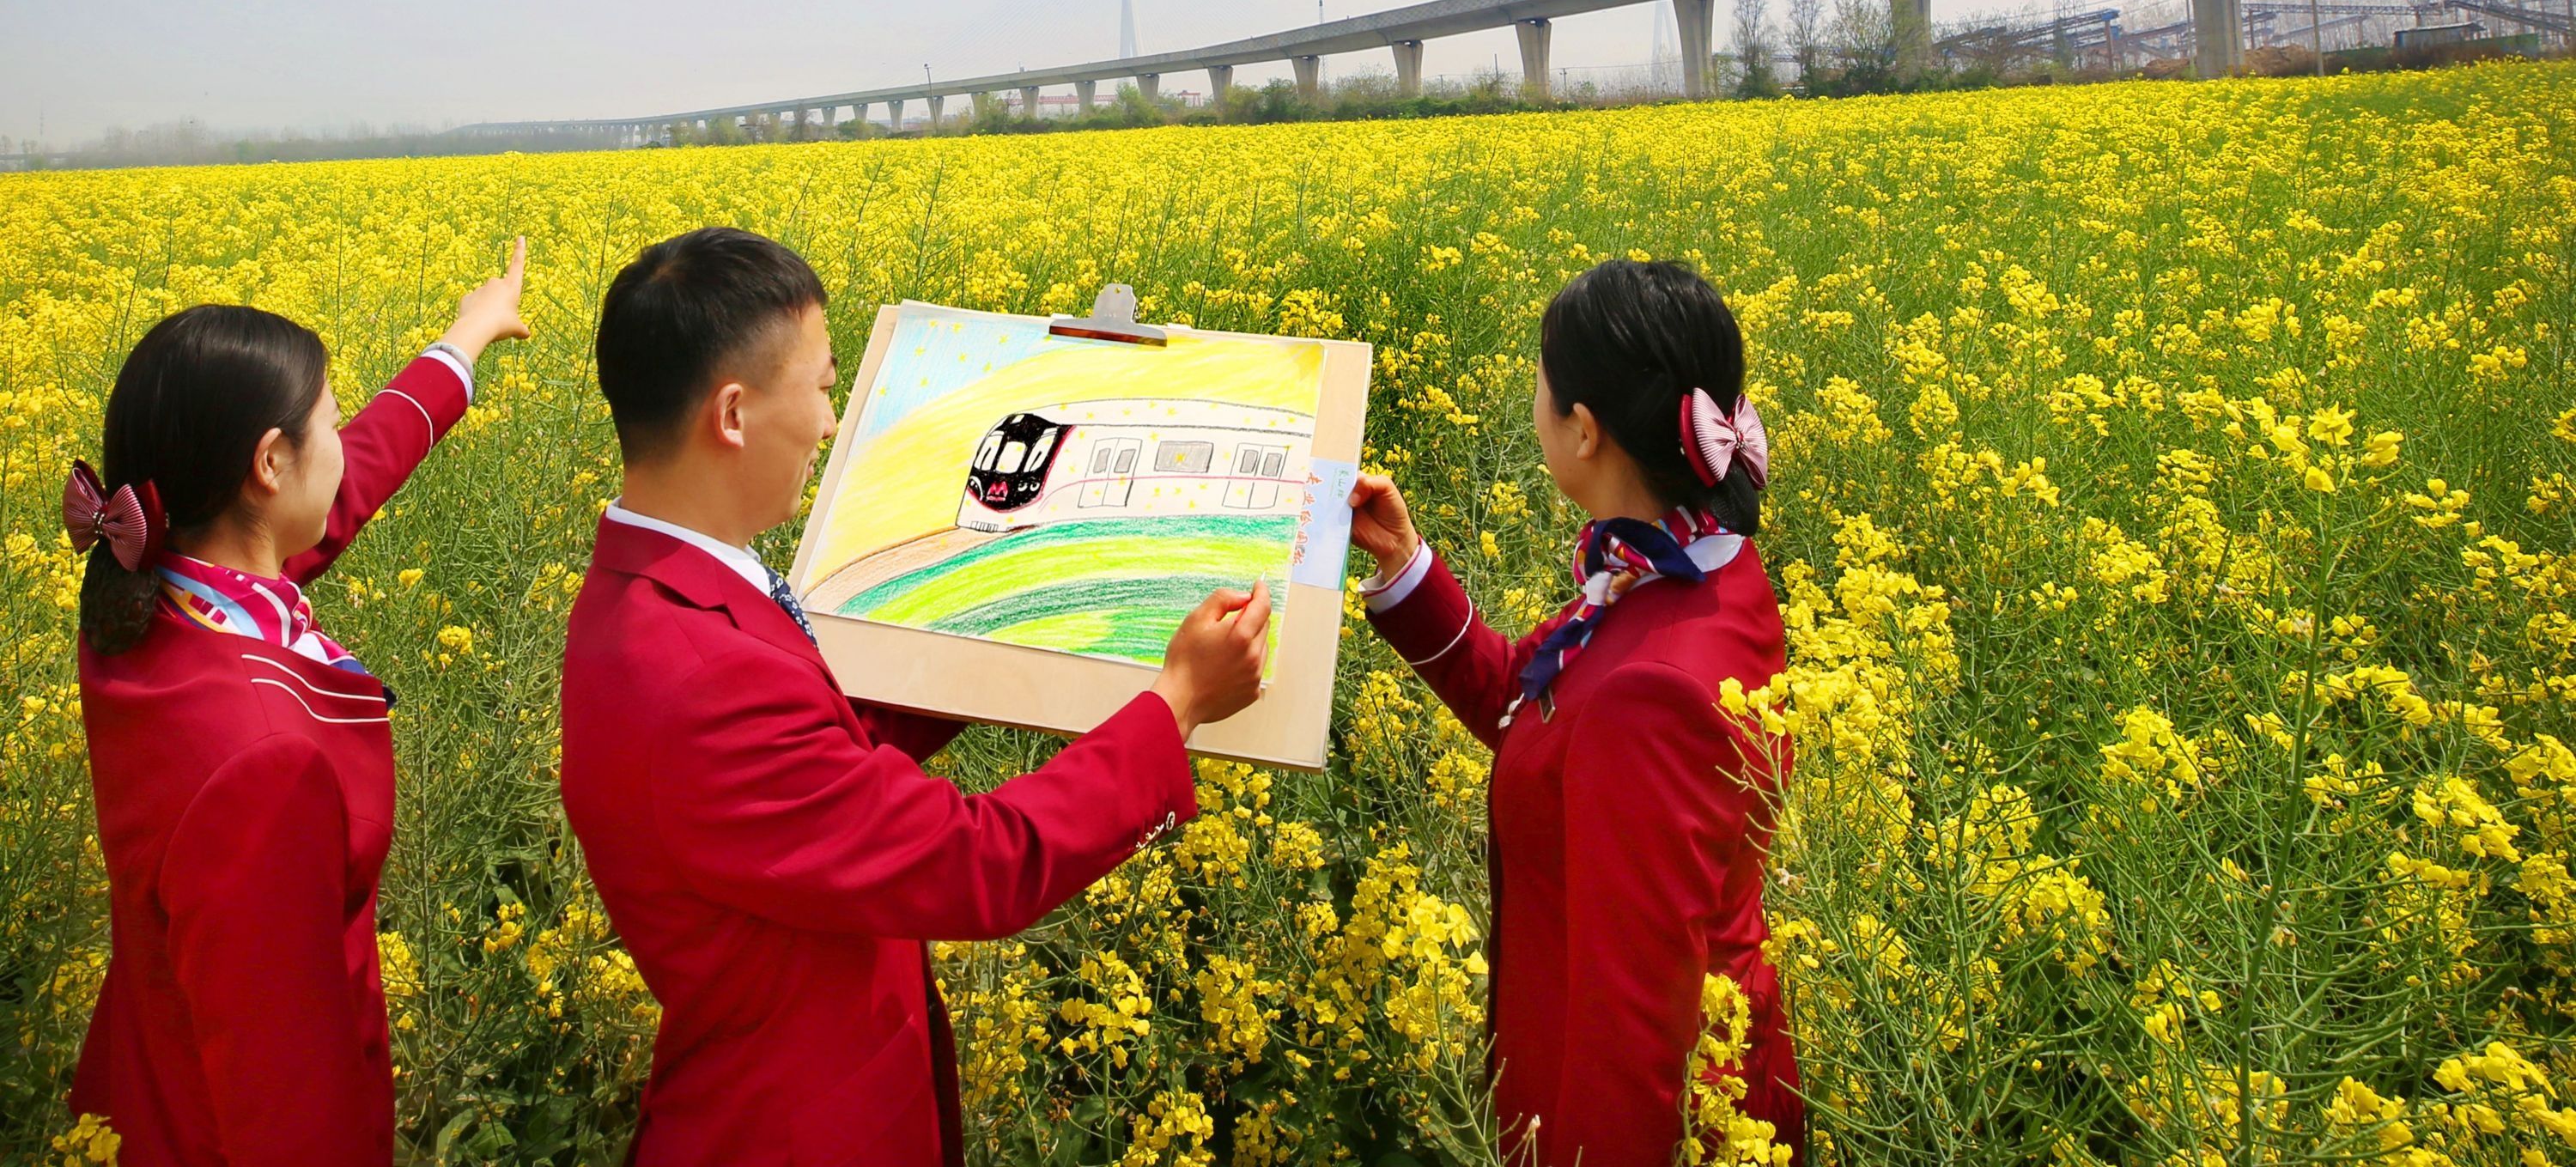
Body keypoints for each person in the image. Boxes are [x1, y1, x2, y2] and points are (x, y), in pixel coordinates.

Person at [558, 227, 1270, 1167]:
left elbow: (823, 758)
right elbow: (977, 861)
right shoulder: (697, 673)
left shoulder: (650, 597)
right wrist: (1173, 700)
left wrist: (979, 640)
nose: (829, 422)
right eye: (819, 386)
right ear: (732, 414)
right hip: (796, 1127)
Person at [69, 241, 533, 1167]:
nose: (341, 437)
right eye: (326, 419)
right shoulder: (259, 764)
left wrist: (466, 339)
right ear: (269, 465)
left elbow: (350, 476)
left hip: (155, 1088)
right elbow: (289, 1093)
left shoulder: (142, 598)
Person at [1346, 258, 1801, 1166]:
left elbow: (1632, 1041)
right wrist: (1405, 563)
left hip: (1623, 1121)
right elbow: (1542, 704)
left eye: (1542, 383)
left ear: (1585, 429)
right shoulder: (1685, 564)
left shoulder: (1654, 686)